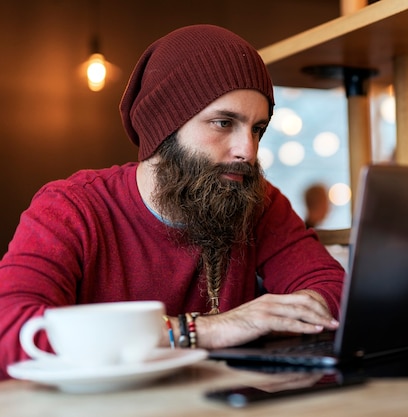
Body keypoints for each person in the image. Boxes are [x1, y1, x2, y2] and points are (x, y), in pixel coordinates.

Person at [0, 25, 344, 377]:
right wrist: (201, 331)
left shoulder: (255, 201)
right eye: (224, 123)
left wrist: (268, 319)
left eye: (257, 128)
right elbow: (10, 335)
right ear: (164, 126)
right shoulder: (72, 208)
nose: (248, 151)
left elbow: (335, 294)